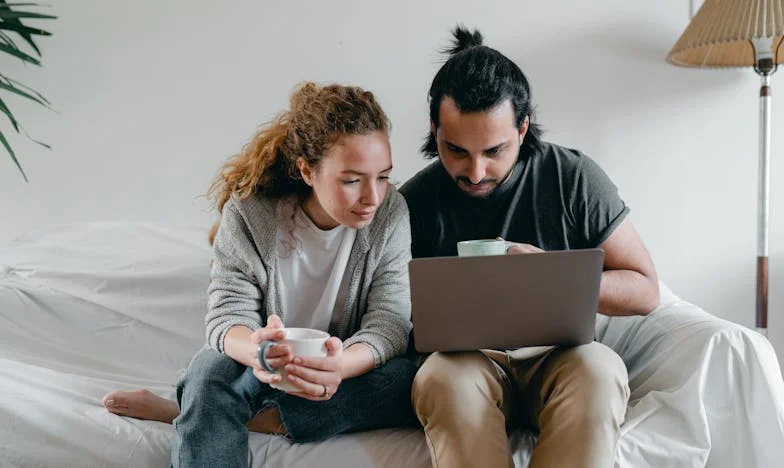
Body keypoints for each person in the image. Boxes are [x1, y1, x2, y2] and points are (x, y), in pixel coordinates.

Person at [102, 82, 418, 467]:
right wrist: (260, 353)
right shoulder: (251, 213)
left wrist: (340, 365)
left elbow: (390, 321)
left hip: (340, 368)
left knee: (410, 379)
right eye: (352, 180)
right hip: (259, 360)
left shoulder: (390, 215)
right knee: (210, 377)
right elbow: (226, 317)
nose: (373, 196)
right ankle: (207, 410)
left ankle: (200, 416)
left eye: (383, 176)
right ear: (307, 170)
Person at [399, 27, 660, 468]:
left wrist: (552, 276)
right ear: (434, 129)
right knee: (442, 379)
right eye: (456, 150)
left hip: (560, 359)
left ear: (522, 128)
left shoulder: (573, 178)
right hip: (466, 362)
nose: (476, 171)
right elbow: (387, 310)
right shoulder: (413, 202)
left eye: (494, 150)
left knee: (601, 370)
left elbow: (645, 290)